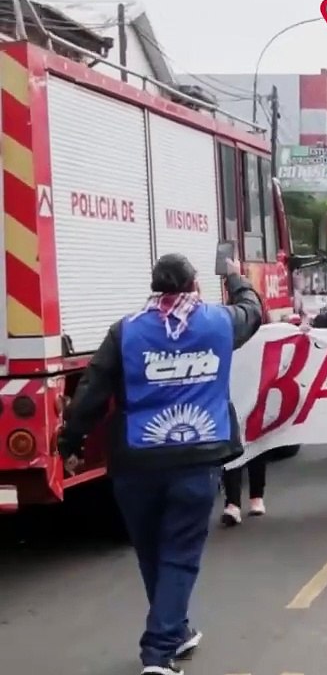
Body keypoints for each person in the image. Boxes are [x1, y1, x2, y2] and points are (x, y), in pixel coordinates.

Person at [57, 253, 263, 675]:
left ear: (156, 288)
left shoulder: (126, 330)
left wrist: (71, 442)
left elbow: (93, 388)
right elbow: (254, 311)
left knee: (152, 552)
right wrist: (237, 276)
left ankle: (177, 629)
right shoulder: (218, 323)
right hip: (195, 461)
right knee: (179, 555)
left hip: (135, 463)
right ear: (193, 288)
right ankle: (159, 652)